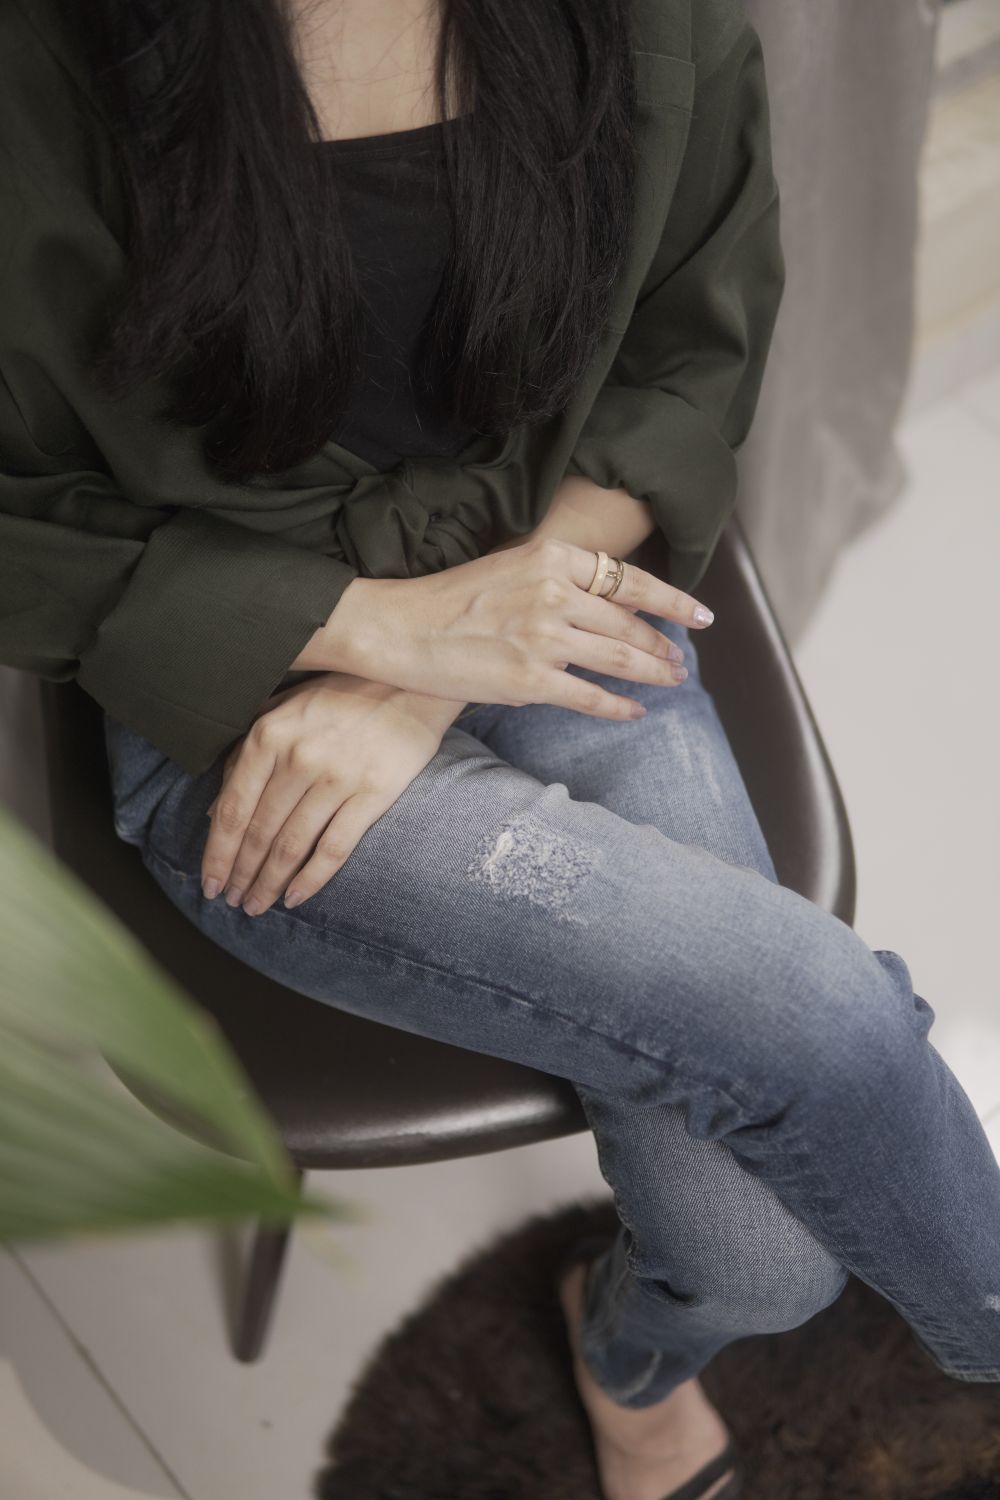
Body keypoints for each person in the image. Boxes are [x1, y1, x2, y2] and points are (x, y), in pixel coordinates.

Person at [3, 2, 999, 1498]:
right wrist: (372, 634)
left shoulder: (653, 21)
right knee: (826, 1043)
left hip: (550, 580)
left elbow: (684, 362)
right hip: (243, 675)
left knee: (763, 1258)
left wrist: (430, 668)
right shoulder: (42, 65)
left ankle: (622, 1355)